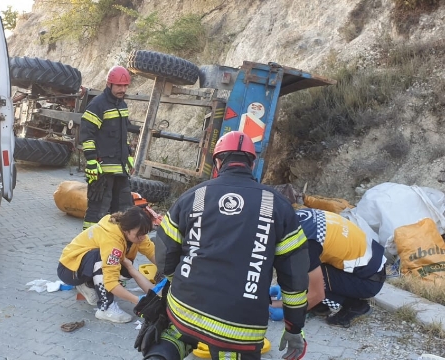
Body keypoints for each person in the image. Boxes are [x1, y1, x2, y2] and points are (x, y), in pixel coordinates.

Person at [144, 131, 310, 360]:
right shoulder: (279, 206)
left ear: (218, 163)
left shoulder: (193, 196)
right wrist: (294, 327)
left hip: (186, 306)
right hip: (241, 324)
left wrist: (180, 282)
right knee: (230, 348)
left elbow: (163, 252)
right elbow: (295, 279)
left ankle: (161, 354)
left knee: (174, 332)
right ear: (252, 164)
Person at [57, 206, 156, 323]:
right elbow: (110, 282)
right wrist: (137, 300)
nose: (142, 238)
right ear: (126, 230)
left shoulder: (136, 232)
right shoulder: (112, 241)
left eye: (145, 234)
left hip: (82, 266)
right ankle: (105, 308)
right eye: (138, 235)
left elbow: (152, 252)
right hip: (69, 270)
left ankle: (88, 285)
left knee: (125, 267)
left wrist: (171, 272)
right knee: (102, 259)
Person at [295, 208, 387, 328]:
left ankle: (355, 305)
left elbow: (316, 293)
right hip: (374, 266)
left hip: (369, 281)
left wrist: (286, 310)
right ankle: (321, 306)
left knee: (303, 273)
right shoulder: (301, 216)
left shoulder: (307, 242)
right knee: (307, 267)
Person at [80, 65, 135, 230]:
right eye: (119, 86)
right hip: (101, 169)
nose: (122, 89)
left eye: (125, 86)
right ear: (109, 85)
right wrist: (91, 161)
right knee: (98, 210)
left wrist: (128, 156)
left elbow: (122, 136)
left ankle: (113, 242)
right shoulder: (97, 105)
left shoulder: (122, 106)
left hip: (120, 168)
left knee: (123, 209)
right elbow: (87, 134)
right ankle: (89, 244)